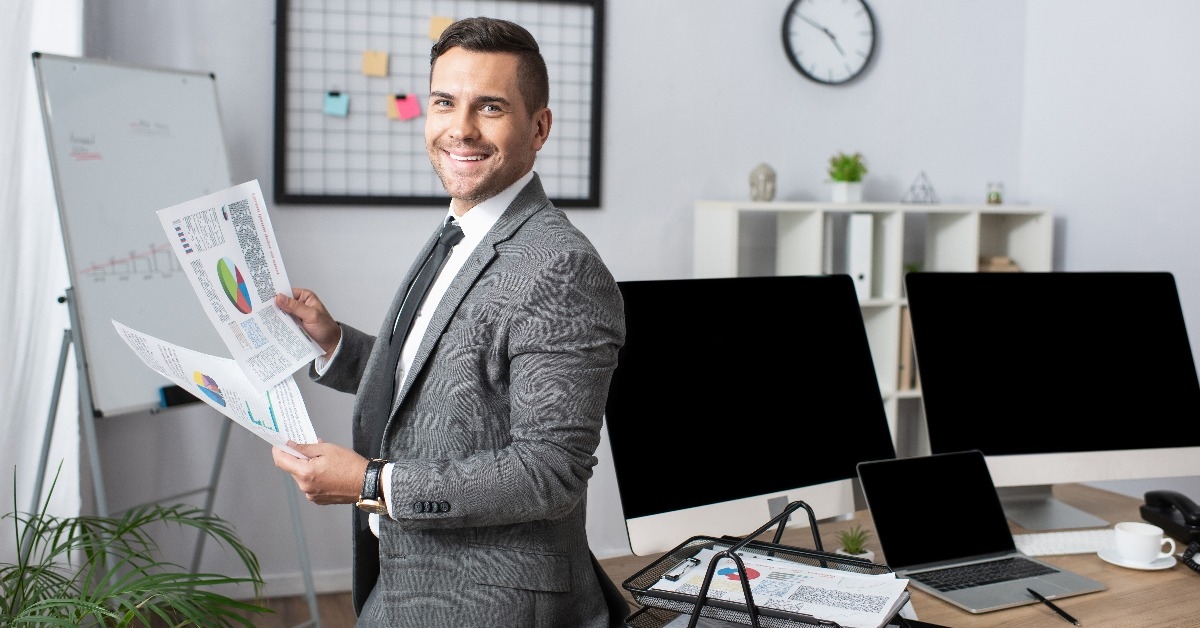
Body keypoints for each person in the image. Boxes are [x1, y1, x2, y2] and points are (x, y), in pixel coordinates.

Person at [271, 17, 629, 628]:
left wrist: (374, 484)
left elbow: (550, 472)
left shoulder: (560, 267)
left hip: (493, 603)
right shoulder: (461, 229)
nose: (460, 129)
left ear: (538, 127)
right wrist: (335, 344)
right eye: (444, 102)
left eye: (490, 107)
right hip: (408, 575)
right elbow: (441, 382)